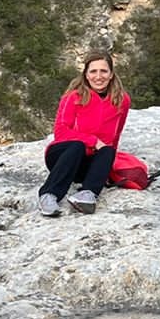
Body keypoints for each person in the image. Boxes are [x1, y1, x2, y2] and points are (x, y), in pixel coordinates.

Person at [37, 51, 130, 216]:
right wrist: (92, 141)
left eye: (103, 71)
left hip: (88, 164)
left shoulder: (122, 100)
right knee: (77, 145)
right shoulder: (73, 97)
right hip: (64, 156)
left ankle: (87, 195)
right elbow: (60, 132)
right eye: (93, 71)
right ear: (86, 75)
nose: (98, 76)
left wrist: (107, 167)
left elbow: (115, 136)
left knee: (108, 149)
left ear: (111, 74)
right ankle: (49, 195)